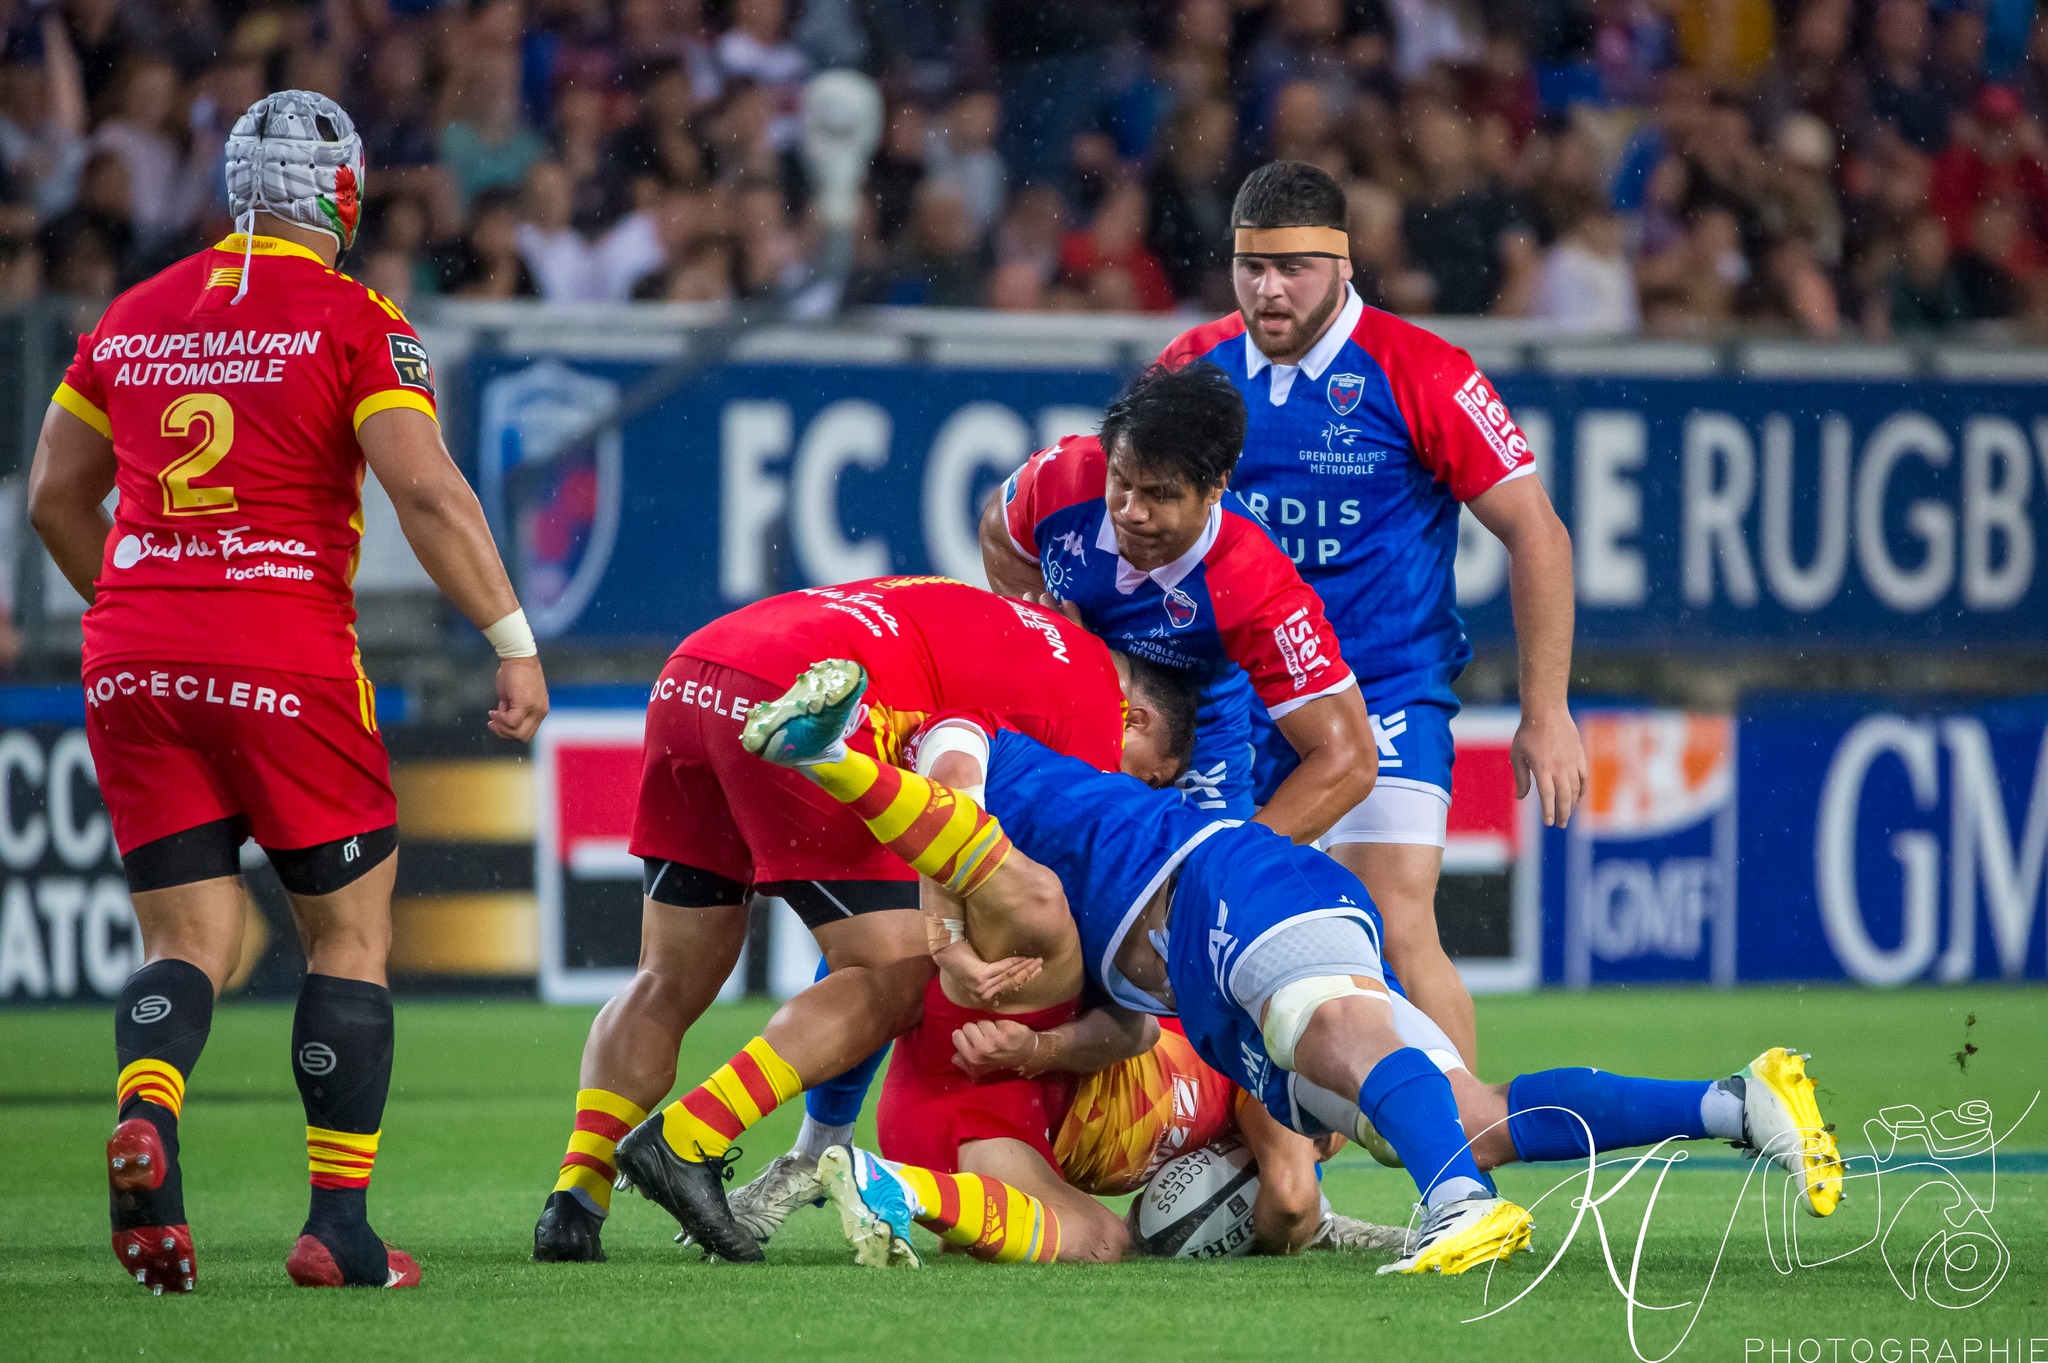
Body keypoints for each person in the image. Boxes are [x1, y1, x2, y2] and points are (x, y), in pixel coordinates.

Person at [748, 659, 1844, 1273]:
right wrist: (1029, 1029)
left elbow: (946, 765)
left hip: (1229, 889)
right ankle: (1734, 1102)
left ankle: (1452, 1204)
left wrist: (922, 879)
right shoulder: (1027, 895)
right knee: (1467, 1110)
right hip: (1220, 984)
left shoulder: (985, 749)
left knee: (1329, 1027)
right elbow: (1127, 1031)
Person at [26, 91, 550, 1294]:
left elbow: (55, 495)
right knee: (350, 936)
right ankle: (337, 1228)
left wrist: (132, 603)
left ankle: (149, 1111)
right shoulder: (356, 318)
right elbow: (426, 495)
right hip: (285, 655)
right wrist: (510, 640)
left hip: (133, 657)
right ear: (344, 193)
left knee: (191, 938)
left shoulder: (132, 316)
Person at [534, 577, 1192, 1264]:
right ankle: (693, 1136)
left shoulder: (1034, 636)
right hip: (801, 699)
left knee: (664, 977)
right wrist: (950, 939)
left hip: (694, 673)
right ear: (1138, 721)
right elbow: (962, 807)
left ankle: (576, 1199)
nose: (1130, 794)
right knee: (898, 970)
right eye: (1148, 778)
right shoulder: (1091, 718)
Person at [1157, 160, 1588, 1073]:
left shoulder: (1422, 371)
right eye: (1251, 268)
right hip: (1239, 699)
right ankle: (1280, 1178)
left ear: (1345, 265)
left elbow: (1538, 534)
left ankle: (1469, 1171)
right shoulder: (1192, 367)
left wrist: (1546, 713)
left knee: (1394, 919)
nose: (1269, 290)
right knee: (1201, 928)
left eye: (1295, 268)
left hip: (1381, 687)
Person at [981, 359, 1375, 838]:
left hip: (1198, 746)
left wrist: (1229, 862)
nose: (1131, 511)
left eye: (1159, 494)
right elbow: (999, 531)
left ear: (1216, 486)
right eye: (1121, 482)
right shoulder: (1064, 476)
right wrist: (1048, 640)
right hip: (1062, 711)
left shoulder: (1256, 583)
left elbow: (1349, 759)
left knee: (1190, 901)